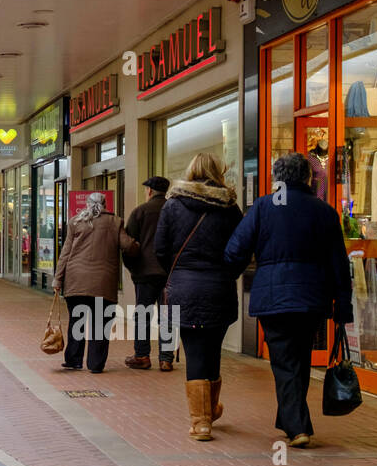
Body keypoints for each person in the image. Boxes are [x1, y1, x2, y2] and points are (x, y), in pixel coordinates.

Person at [224, 152, 353, 448]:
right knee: (299, 359)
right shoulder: (323, 211)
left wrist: (232, 271)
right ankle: (289, 420)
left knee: (284, 362)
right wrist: (342, 305)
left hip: (274, 296)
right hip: (311, 298)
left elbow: (235, 250)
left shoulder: (263, 207)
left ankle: (298, 427)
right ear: (307, 178)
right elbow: (338, 263)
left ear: (276, 179)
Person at [154, 154, 244, 441]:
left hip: (184, 289)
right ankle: (210, 410)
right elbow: (241, 249)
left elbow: (160, 248)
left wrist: (177, 273)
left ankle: (201, 420)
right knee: (213, 349)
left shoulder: (173, 205)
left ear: (190, 171)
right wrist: (229, 273)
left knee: (193, 350)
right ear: (218, 173)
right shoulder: (230, 208)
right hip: (219, 288)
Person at [54, 192, 135, 373]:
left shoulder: (75, 221)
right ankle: (95, 364)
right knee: (100, 323)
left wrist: (57, 279)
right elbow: (128, 246)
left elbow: (65, 253)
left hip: (76, 281)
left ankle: (74, 360)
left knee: (77, 321)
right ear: (105, 204)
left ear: (88, 204)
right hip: (103, 283)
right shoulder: (115, 222)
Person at [122, 176, 173, 371]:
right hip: (170, 274)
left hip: (145, 274)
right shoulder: (175, 210)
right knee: (168, 315)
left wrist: (134, 269)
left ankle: (142, 355)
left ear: (150, 191)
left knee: (143, 315)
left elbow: (128, 245)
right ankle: (166, 358)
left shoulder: (140, 212)